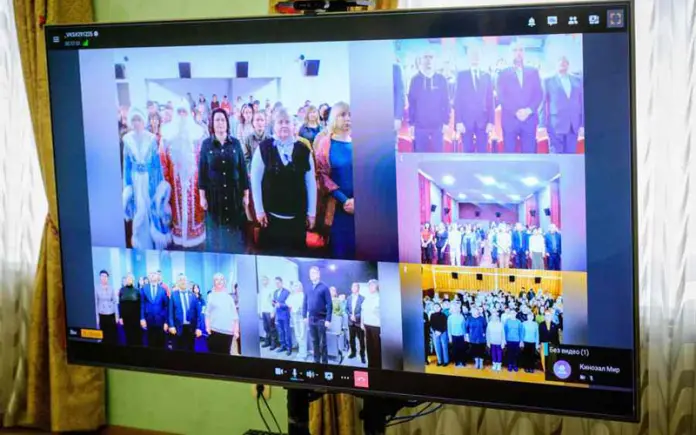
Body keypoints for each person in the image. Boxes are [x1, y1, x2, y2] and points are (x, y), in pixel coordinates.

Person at [251, 108, 317, 255]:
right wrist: (259, 210)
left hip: (297, 220)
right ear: (274, 126)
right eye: (280, 122)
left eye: (287, 122)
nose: (284, 125)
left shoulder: (304, 150)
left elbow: (311, 183)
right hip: (270, 220)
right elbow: (255, 181)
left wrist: (311, 213)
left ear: (294, 125)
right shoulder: (263, 148)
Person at [198, 108, 249, 253]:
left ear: (227, 122)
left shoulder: (236, 143)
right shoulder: (206, 144)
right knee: (216, 237)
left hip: (234, 195)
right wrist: (202, 197)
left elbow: (243, 170)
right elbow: (202, 172)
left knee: (235, 235)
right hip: (214, 197)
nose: (220, 123)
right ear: (212, 123)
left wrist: (246, 195)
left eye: (222, 119)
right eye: (217, 120)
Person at [122, 107, 171, 250]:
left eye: (139, 119)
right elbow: (126, 166)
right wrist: (127, 186)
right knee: (139, 210)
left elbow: (156, 165)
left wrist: (158, 186)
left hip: (150, 181)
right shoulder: (127, 140)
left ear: (143, 121)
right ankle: (143, 244)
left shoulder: (151, 139)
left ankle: (155, 244)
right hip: (135, 181)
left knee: (151, 209)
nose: (136, 123)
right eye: (134, 120)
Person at [161, 100, 207, 249]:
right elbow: (163, 163)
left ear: (189, 114)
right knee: (177, 212)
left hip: (194, 183)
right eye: (179, 112)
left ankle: (195, 236)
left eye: (184, 112)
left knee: (195, 212)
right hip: (175, 183)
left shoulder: (198, 135)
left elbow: (204, 162)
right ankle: (180, 237)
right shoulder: (167, 137)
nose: (181, 115)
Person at [315, 102, 355, 259]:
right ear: (334, 118)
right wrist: (345, 200)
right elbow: (321, 176)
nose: (347, 119)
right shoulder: (325, 143)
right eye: (342, 115)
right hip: (336, 208)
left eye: (350, 115)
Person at [496, 40, 543, 153]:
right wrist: (515, 112)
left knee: (529, 155)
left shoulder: (533, 72)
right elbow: (501, 96)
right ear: (510, 53)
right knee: (509, 156)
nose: (518, 53)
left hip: (529, 120)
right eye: (515, 50)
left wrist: (528, 110)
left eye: (521, 50)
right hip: (510, 120)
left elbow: (538, 94)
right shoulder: (503, 73)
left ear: (524, 53)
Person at [407, 48, 450, 152]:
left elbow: (446, 102)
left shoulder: (441, 80)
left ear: (435, 61)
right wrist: (411, 124)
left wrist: (446, 122)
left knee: (438, 158)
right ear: (420, 60)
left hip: (438, 127)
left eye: (431, 57)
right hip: (420, 127)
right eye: (425, 57)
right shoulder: (415, 80)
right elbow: (412, 104)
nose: (428, 60)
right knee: (420, 157)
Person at [540, 55, 584, 154]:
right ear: (556, 65)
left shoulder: (578, 80)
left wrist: (583, 124)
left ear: (568, 65)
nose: (563, 64)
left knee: (571, 156)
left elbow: (582, 103)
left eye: (565, 62)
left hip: (573, 126)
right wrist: (541, 125)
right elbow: (542, 103)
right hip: (555, 125)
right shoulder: (547, 80)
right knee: (556, 156)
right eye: (560, 62)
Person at [454, 44, 495, 153]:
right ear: (468, 57)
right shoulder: (461, 75)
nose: (475, 57)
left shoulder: (487, 75)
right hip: (466, 122)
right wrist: (458, 121)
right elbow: (457, 100)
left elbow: (490, 100)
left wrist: (491, 122)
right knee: (467, 153)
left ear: (481, 57)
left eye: (477, 55)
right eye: (472, 55)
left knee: (482, 153)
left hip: (483, 122)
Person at [302, 266, 332, 364]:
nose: (311, 275)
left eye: (314, 273)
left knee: (322, 343)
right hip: (311, 319)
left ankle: (324, 363)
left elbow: (329, 304)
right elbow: (304, 303)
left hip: (321, 319)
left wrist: (328, 320)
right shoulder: (308, 287)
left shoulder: (324, 287)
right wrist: (304, 316)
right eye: (310, 273)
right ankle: (316, 361)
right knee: (314, 341)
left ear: (318, 274)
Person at [205, 273, 240, 355]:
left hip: (228, 333)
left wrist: (236, 331)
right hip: (214, 331)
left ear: (224, 281)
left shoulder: (229, 298)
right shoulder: (210, 296)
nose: (219, 281)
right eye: (216, 279)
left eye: (221, 279)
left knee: (225, 356)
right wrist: (207, 327)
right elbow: (207, 314)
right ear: (214, 282)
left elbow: (235, 316)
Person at [168, 274, 203, 351]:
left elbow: (198, 313)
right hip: (177, 328)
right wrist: (171, 326)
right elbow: (170, 313)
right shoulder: (173, 295)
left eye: (184, 280)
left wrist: (199, 327)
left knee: (190, 350)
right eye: (180, 280)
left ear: (187, 282)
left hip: (191, 328)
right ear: (178, 282)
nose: (183, 282)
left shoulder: (193, 295)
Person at [140, 271, 169, 349]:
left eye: (154, 274)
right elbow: (142, 304)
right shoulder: (144, 288)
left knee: (161, 345)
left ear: (157, 276)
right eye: (151, 274)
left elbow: (166, 306)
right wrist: (142, 318)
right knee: (150, 344)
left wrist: (166, 322)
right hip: (148, 321)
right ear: (149, 277)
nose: (152, 275)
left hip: (160, 321)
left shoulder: (162, 290)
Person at [95, 270, 119, 345]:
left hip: (111, 314)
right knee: (104, 335)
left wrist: (117, 316)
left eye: (105, 276)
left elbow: (115, 302)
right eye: (102, 276)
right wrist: (97, 317)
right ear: (100, 277)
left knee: (112, 335)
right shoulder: (96, 288)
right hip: (102, 314)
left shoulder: (111, 288)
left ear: (107, 278)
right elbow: (96, 303)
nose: (104, 278)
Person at [361, 279, 381, 369]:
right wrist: (362, 323)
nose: (370, 287)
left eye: (371, 285)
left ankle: (378, 366)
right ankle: (371, 365)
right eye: (369, 285)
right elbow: (363, 311)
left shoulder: (379, 297)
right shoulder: (367, 298)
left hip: (376, 326)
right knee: (369, 347)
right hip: (367, 325)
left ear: (376, 286)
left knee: (376, 347)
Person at [118, 273, 142, 346]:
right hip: (126, 318)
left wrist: (140, 318)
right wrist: (120, 317)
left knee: (136, 337)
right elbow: (120, 304)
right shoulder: (121, 290)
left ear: (133, 280)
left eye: (130, 278)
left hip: (135, 319)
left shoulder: (137, 290)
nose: (129, 280)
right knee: (128, 337)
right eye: (127, 278)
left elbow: (140, 305)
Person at [345, 283, 365, 363]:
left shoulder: (362, 298)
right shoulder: (349, 298)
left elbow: (363, 310)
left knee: (361, 340)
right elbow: (346, 309)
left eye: (354, 286)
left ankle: (362, 355)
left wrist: (356, 316)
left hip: (359, 322)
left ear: (358, 288)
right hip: (350, 322)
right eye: (352, 286)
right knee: (351, 339)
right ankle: (353, 353)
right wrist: (350, 315)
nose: (352, 288)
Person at [272, 277, 292, 356]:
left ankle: (289, 348)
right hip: (278, 315)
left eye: (278, 283)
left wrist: (280, 305)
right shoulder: (275, 292)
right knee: (280, 332)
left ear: (281, 282)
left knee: (287, 332)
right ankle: (283, 346)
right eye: (275, 283)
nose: (277, 284)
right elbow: (274, 303)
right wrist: (273, 303)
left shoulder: (287, 292)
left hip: (285, 315)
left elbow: (289, 305)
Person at [287, 282, 307, 360]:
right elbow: (288, 304)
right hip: (295, 317)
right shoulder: (292, 296)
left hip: (301, 317)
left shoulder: (303, 295)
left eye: (297, 286)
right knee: (297, 335)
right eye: (294, 286)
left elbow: (304, 307)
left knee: (302, 336)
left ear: (300, 287)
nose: (295, 287)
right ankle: (301, 352)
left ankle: (303, 354)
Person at [258, 275, 278, 349]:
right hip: (263, 311)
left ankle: (274, 344)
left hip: (270, 311)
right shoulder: (262, 290)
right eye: (262, 280)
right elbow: (261, 302)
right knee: (266, 328)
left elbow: (274, 302)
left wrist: (273, 311)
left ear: (268, 281)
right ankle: (267, 342)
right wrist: (260, 311)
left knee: (272, 328)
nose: (264, 281)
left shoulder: (271, 290)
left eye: (265, 280)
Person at [447, 303, 466, 367]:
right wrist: (450, 337)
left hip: (461, 335)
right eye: (455, 308)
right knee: (455, 349)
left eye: (457, 308)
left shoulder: (462, 316)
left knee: (462, 349)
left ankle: (462, 361)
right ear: (453, 309)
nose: (456, 309)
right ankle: (457, 361)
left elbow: (464, 327)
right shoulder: (450, 317)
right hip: (453, 336)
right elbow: (449, 328)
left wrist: (465, 336)